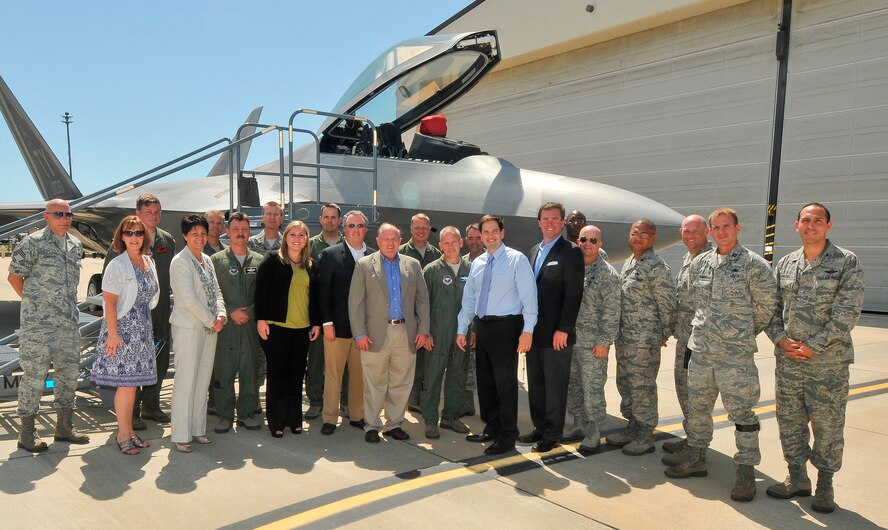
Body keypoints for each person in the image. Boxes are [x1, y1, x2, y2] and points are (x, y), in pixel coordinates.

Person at [664, 208, 778, 503]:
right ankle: (697, 457)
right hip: (701, 350)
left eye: (727, 226)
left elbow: (767, 307)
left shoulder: (754, 264)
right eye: (716, 227)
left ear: (737, 228)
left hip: (734, 355)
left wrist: (739, 332)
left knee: (742, 414)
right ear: (711, 232)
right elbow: (692, 302)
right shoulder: (702, 262)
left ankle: (745, 469)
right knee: (698, 407)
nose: (722, 231)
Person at [764, 203, 864, 513]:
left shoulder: (846, 262)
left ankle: (825, 484)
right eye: (805, 220)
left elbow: (847, 314)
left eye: (817, 220)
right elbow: (772, 309)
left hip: (828, 365)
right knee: (790, 423)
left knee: (828, 426)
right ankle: (797, 478)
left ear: (828, 225)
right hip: (789, 363)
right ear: (796, 225)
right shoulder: (786, 263)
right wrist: (780, 340)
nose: (811, 225)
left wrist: (812, 346)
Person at [8, 199, 90, 452]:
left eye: (68, 214)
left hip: (68, 325)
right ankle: (26, 434)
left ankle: (64, 427)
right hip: (38, 327)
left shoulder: (76, 245)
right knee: (34, 378)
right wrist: (36, 305)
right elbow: (14, 277)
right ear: (46, 217)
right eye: (59, 214)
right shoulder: (32, 243)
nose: (65, 218)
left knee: (68, 375)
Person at [457, 214, 537, 456]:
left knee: (505, 384)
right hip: (483, 327)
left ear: (502, 233)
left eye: (494, 231)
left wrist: (528, 331)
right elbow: (470, 298)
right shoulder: (479, 263)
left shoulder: (517, 260)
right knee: (486, 382)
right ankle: (492, 427)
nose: (490, 236)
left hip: (507, 327)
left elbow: (529, 298)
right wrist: (463, 328)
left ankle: (507, 436)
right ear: (480, 236)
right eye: (485, 232)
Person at [349, 223, 430, 443]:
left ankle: (394, 424)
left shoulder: (412, 265)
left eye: (395, 239)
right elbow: (355, 303)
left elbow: (422, 300)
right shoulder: (364, 265)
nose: (391, 243)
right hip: (375, 333)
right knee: (374, 382)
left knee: (401, 381)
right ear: (378, 241)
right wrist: (360, 334)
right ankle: (372, 425)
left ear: (400, 240)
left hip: (406, 332)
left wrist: (423, 329)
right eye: (386, 239)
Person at [103, 193, 175, 430]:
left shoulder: (167, 240)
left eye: (157, 211)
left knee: (158, 359)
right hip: (130, 315)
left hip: (159, 308)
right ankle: (131, 413)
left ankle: (151, 405)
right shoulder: (122, 246)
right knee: (130, 368)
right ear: (138, 213)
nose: (154, 216)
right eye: (148, 212)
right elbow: (110, 292)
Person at [605, 219, 676, 456]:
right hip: (625, 338)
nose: (638, 237)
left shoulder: (656, 266)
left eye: (644, 234)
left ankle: (645, 434)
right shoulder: (629, 262)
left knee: (642, 387)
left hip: (644, 341)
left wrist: (662, 333)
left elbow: (668, 304)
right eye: (634, 233)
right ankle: (632, 426)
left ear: (653, 237)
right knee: (626, 384)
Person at [91, 216, 160, 455]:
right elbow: (109, 302)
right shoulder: (117, 264)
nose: (134, 237)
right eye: (128, 233)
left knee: (133, 386)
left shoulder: (147, 261)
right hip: (122, 330)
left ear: (145, 236)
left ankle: (130, 431)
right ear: (121, 236)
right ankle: (123, 435)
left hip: (141, 329)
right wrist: (113, 335)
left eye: (138, 233)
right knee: (126, 386)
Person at [519, 202, 584, 453]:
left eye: (554, 219)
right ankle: (539, 428)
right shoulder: (534, 251)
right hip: (534, 332)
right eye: (545, 219)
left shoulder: (571, 252)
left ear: (562, 222)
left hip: (557, 333)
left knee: (555, 386)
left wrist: (565, 329)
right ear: (539, 222)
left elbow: (574, 294)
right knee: (536, 384)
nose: (549, 223)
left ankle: (552, 434)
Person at [255, 221, 321, 437]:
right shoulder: (273, 259)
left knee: (296, 376)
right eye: (292, 234)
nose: (297, 238)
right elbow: (261, 291)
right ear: (285, 237)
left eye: (301, 235)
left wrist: (316, 323)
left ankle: (294, 419)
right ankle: (277, 421)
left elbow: (315, 298)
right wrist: (261, 319)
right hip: (278, 328)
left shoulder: (310, 264)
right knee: (277, 376)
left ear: (306, 239)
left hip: (301, 329)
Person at [169, 214, 227, 453]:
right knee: (186, 380)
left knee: (202, 380)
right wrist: (212, 320)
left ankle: (197, 428)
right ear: (184, 236)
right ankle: (181, 434)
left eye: (203, 233)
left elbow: (216, 291)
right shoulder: (179, 262)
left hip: (210, 328)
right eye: (195, 234)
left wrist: (221, 314)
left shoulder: (206, 259)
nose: (200, 238)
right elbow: (188, 299)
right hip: (189, 328)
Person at [564, 225, 620, 453]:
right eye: (584, 239)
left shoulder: (608, 275)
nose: (588, 244)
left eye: (593, 240)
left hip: (593, 345)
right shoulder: (573, 268)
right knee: (573, 385)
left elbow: (612, 312)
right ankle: (578, 424)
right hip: (571, 341)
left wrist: (604, 342)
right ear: (578, 241)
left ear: (600, 244)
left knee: (592, 388)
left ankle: (594, 430)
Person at [317, 211, 374, 435]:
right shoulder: (330, 255)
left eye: (360, 225)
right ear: (344, 229)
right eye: (351, 226)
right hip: (337, 327)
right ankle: (330, 417)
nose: (356, 230)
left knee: (359, 375)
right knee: (333, 374)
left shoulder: (373, 256)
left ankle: (358, 414)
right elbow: (323, 292)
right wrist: (327, 323)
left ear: (366, 229)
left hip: (363, 330)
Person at [210, 212, 264, 433]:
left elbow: (264, 294)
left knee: (250, 369)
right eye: (236, 229)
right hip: (226, 326)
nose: (240, 233)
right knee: (224, 371)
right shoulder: (216, 261)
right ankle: (224, 415)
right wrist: (230, 311)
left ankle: (246, 413)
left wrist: (250, 312)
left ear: (249, 232)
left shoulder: (259, 261)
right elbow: (212, 293)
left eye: (244, 229)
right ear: (228, 232)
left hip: (250, 326)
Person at [662, 214, 712, 455]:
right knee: (684, 390)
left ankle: (697, 449)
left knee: (697, 394)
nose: (690, 236)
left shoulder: (709, 261)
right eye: (686, 231)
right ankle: (692, 438)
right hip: (685, 338)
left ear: (707, 232)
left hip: (699, 342)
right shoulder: (690, 258)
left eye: (695, 231)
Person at [420, 226, 472, 439]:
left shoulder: (472, 269)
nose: (451, 246)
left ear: (462, 243)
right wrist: (425, 332)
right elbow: (421, 304)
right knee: (432, 376)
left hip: (462, 334)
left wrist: (473, 331)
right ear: (440, 246)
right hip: (437, 332)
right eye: (446, 243)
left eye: (454, 242)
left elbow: (476, 303)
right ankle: (430, 419)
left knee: (458, 375)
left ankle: (450, 416)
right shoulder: (432, 270)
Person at [305, 203, 344, 420]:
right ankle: (315, 401)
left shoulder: (349, 244)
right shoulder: (310, 246)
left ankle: (344, 401)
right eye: (326, 217)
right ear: (320, 220)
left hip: (342, 313)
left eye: (333, 217)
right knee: (316, 360)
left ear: (340, 221)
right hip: (317, 314)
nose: (330, 221)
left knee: (344, 362)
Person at [401, 213, 442, 412]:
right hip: (405, 318)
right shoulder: (399, 253)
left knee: (426, 362)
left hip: (430, 317)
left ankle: (418, 398)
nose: (421, 231)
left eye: (425, 228)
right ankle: (402, 399)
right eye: (417, 227)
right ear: (411, 229)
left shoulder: (437, 255)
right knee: (404, 362)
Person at [459, 222, 484, 418]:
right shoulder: (462, 262)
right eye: (471, 238)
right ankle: (467, 404)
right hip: (465, 324)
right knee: (464, 366)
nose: (474, 242)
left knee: (482, 368)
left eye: (478, 237)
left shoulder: (489, 261)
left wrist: (475, 328)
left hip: (484, 324)